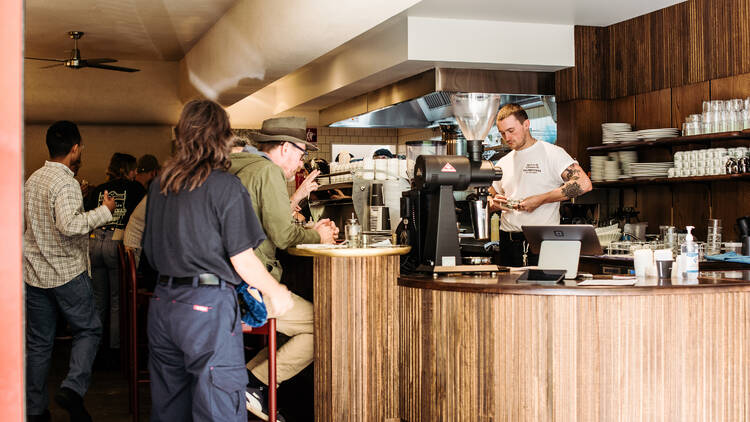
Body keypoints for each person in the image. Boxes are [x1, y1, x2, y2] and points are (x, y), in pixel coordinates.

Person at [143, 100, 294, 422]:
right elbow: (243, 259)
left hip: (162, 304)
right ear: (223, 138)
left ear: (181, 135)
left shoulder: (159, 185)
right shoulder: (224, 186)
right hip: (206, 308)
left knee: (169, 408)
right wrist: (276, 291)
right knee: (219, 408)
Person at [229, 116, 338, 421]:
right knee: (323, 326)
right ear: (285, 148)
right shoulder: (267, 170)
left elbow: (271, 225)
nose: (301, 162)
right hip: (249, 286)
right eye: (301, 154)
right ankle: (255, 383)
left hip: (226, 284)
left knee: (304, 321)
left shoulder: (240, 167)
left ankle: (245, 383)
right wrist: (319, 235)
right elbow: (282, 234)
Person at [24, 120, 116, 422]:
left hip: (35, 274)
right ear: (75, 149)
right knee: (88, 330)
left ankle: (35, 410)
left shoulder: (33, 179)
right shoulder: (66, 182)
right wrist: (104, 211)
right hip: (67, 273)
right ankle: (73, 388)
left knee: (39, 344)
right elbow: (69, 225)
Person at [489, 103, 592, 267]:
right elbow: (490, 196)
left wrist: (540, 199)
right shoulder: (503, 163)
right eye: (502, 133)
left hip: (543, 242)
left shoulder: (552, 153)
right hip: (508, 242)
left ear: (526, 124)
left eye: (511, 131)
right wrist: (494, 203)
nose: (507, 138)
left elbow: (583, 183)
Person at [85, 153, 146, 357]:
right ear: (128, 170)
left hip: (94, 241)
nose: (136, 173)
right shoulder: (137, 189)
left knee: (98, 299)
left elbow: (87, 213)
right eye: (134, 169)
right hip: (117, 243)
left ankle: (95, 348)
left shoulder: (99, 189)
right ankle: (115, 349)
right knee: (117, 299)